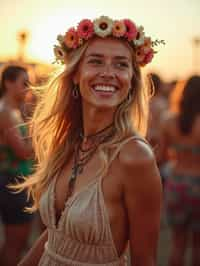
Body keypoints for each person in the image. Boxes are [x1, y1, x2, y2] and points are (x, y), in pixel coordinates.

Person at [17, 16, 162, 266]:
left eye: (120, 65)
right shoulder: (69, 142)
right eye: (95, 61)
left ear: (131, 80)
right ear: (75, 74)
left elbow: (144, 259)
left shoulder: (135, 157)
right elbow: (56, 235)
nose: (108, 73)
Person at [158, 76, 200, 266]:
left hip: (175, 184)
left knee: (177, 243)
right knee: (197, 246)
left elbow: (162, 156)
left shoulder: (169, 121)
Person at [0, 65, 34, 265]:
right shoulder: (5, 112)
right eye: (25, 83)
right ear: (8, 83)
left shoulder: (13, 110)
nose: (28, 88)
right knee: (15, 243)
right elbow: (23, 152)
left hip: (15, 182)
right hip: (12, 183)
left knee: (17, 243)